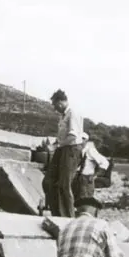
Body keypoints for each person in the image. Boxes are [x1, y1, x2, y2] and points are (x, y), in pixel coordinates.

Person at [49, 89, 84, 217]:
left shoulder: (72, 113)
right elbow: (63, 137)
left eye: (56, 105)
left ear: (62, 101)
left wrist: (58, 145)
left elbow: (72, 136)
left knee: (64, 185)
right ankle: (57, 213)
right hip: (63, 148)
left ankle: (68, 218)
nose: (55, 108)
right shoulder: (63, 115)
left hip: (71, 149)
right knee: (49, 182)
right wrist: (54, 144)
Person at [72, 132, 110, 200]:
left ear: (86, 140)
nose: (79, 142)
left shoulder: (90, 150)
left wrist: (95, 175)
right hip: (78, 178)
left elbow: (104, 162)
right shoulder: (80, 150)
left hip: (87, 178)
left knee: (86, 199)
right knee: (78, 200)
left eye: (82, 140)